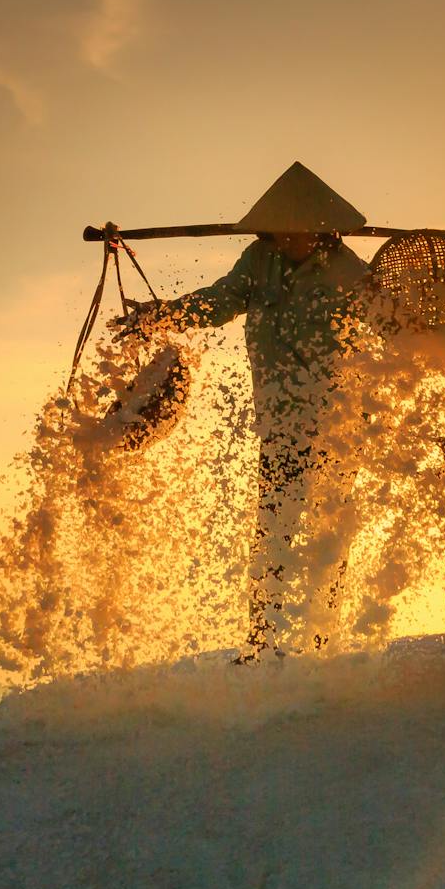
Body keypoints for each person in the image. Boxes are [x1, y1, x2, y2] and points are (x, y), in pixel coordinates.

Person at [116, 162, 389, 657]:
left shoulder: (347, 268)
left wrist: (438, 335)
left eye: (295, 230)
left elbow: (394, 320)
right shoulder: (258, 260)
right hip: (280, 424)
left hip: (337, 424)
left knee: (329, 534)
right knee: (273, 532)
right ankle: (264, 643)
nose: (287, 238)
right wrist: (164, 315)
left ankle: (321, 641)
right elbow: (221, 301)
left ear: (317, 229)